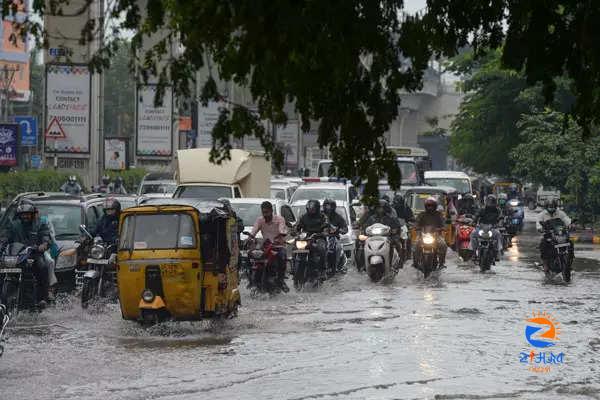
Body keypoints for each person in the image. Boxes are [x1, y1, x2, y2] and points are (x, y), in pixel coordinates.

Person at [7, 201, 51, 305]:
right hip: (16, 255)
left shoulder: (40, 223)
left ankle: (43, 297)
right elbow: (5, 237)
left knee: (43, 267)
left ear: (32, 214)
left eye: (27, 214)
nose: (25, 216)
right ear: (19, 215)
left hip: (34, 254)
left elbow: (45, 235)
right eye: (23, 214)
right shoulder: (13, 225)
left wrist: (44, 244)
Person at [247, 201, 289, 291]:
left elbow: (282, 229)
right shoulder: (260, 220)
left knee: (282, 256)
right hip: (265, 246)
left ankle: (281, 281)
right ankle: (251, 279)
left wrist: (281, 235)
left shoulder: (280, 219)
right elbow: (254, 231)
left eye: (267, 212)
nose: (265, 214)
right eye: (263, 212)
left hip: (278, 246)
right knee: (250, 255)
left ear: (271, 211)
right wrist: (249, 239)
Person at [536, 199, 573, 273]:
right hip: (548, 235)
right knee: (543, 245)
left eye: (553, 206)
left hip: (560, 235)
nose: (551, 208)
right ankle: (545, 264)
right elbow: (538, 225)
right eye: (550, 206)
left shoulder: (561, 213)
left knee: (570, 243)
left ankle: (569, 262)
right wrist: (540, 229)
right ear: (546, 207)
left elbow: (567, 220)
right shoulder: (541, 215)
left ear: (556, 206)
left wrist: (570, 224)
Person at [365, 199, 404, 266]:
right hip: (373, 238)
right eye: (378, 208)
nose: (379, 209)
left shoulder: (391, 218)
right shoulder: (372, 218)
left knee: (397, 244)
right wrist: (364, 230)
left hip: (388, 237)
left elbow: (397, 227)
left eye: (381, 208)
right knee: (362, 243)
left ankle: (398, 262)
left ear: (385, 208)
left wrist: (394, 231)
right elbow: (366, 227)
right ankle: (363, 264)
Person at [414, 197, 447, 267]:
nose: (430, 207)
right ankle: (415, 262)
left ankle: (441, 263)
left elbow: (444, 224)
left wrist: (442, 228)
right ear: (426, 206)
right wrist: (416, 227)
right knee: (415, 245)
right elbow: (416, 223)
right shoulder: (421, 215)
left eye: (432, 206)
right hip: (423, 235)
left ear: (435, 206)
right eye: (428, 206)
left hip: (436, 235)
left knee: (443, 245)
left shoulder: (439, 215)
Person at [471, 195, 503, 260]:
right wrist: (474, 222)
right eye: (488, 201)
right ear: (486, 202)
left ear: (495, 202)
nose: (490, 203)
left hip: (493, 228)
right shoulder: (482, 209)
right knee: (473, 234)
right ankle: (474, 253)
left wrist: (500, 224)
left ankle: (497, 253)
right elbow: (477, 216)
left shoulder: (498, 210)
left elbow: (501, 218)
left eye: (492, 202)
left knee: (498, 235)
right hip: (482, 228)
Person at [322, 199, 348, 272]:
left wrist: (340, 230)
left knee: (338, 247)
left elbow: (345, 228)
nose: (328, 208)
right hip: (320, 237)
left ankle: (336, 265)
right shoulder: (319, 215)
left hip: (333, 237)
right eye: (326, 206)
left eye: (330, 206)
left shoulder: (338, 217)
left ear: (333, 207)